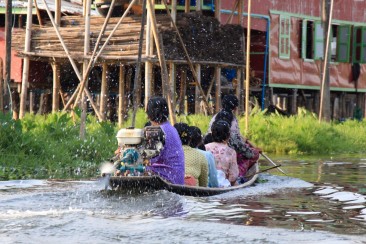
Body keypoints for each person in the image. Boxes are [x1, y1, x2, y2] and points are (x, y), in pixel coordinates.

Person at [208, 94, 260, 179]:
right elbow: (242, 148)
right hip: (228, 155)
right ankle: (239, 174)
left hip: (212, 154)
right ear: (235, 108)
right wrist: (254, 151)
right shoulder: (233, 122)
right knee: (254, 154)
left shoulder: (214, 118)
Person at [145, 97, 185, 185]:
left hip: (168, 179)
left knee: (134, 169)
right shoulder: (171, 128)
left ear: (149, 114)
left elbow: (148, 159)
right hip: (177, 178)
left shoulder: (158, 132)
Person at [205, 120, 239, 186]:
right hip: (223, 184)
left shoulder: (205, 147)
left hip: (207, 183)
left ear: (212, 134)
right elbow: (233, 176)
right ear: (228, 135)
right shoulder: (231, 152)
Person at [174, 123, 208, 187]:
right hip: (194, 194)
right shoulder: (200, 156)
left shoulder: (165, 155)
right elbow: (204, 185)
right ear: (190, 139)